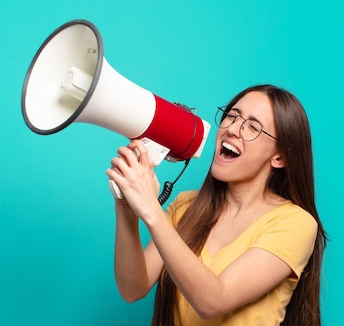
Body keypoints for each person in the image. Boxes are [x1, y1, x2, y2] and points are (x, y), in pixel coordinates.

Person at [106, 84, 327, 325]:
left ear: (279, 157)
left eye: (253, 127)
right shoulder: (186, 206)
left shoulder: (295, 224)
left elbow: (213, 300)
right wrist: (126, 207)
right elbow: (132, 288)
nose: (232, 129)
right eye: (232, 116)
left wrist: (150, 208)